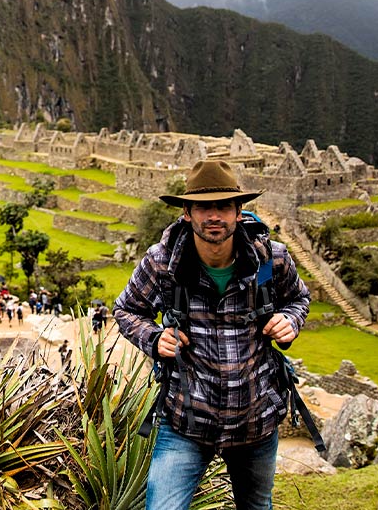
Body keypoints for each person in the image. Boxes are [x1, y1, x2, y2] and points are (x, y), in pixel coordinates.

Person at [114, 160, 310, 510]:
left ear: (238, 211)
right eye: (204, 206)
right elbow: (127, 310)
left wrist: (289, 321)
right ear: (187, 212)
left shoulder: (270, 260)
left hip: (255, 420)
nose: (214, 215)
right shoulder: (162, 264)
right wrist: (154, 339)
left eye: (223, 206)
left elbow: (298, 298)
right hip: (186, 421)